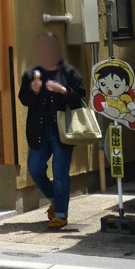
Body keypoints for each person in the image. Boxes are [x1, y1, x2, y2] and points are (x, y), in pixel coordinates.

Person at [18, 32, 87, 229]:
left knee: (60, 173)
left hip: (62, 131)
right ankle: (55, 200)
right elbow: (24, 99)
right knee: (36, 169)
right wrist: (35, 91)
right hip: (39, 130)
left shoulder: (70, 73)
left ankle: (61, 214)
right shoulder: (32, 74)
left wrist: (64, 91)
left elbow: (80, 100)